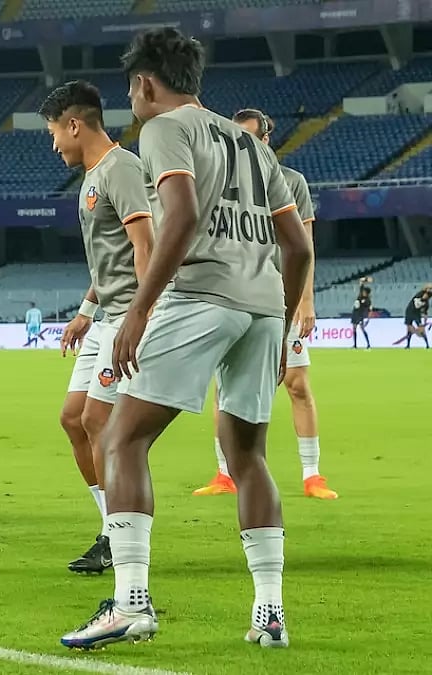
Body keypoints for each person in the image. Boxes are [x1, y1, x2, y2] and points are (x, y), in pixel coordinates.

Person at [60, 28, 312, 650]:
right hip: (260, 308)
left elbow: (185, 215)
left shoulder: (164, 129)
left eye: (131, 89)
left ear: (146, 83)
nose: (132, 101)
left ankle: (130, 602)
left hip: (201, 296)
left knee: (120, 438)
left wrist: (141, 310)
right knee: (247, 456)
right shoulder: (254, 148)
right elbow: (299, 247)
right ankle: (269, 613)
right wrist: (279, 321)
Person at [40, 80, 154, 575]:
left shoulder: (122, 168)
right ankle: (110, 527)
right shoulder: (91, 177)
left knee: (97, 422)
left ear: (74, 125)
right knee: (72, 419)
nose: (54, 146)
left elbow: (145, 245)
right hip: (106, 315)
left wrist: (141, 315)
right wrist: (87, 310)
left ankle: (122, 537)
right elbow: (111, 257)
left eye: (55, 134)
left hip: (129, 316)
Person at [193, 108, 336, 500]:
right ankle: (224, 473)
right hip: (235, 294)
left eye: (250, 139)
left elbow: (303, 246)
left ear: (267, 139)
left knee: (296, 383)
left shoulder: (291, 182)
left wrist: (306, 301)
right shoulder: (222, 184)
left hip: (281, 297)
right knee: (224, 387)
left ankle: (312, 474)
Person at [351, 279, 372, 349]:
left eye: (364, 292)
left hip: (360, 315)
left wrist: (368, 320)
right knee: (354, 328)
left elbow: (370, 310)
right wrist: (366, 279)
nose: (363, 292)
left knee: (362, 329)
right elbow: (361, 281)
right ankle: (355, 345)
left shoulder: (368, 300)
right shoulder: (360, 295)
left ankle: (368, 344)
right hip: (355, 313)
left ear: (367, 293)